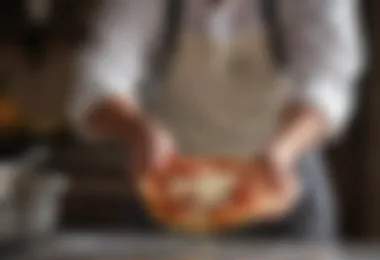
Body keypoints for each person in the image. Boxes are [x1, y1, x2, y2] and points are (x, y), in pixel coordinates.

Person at [69, 0, 366, 240]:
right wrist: (139, 131)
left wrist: (284, 148)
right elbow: (97, 82)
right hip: (169, 184)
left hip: (279, 179)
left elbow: (329, 79)